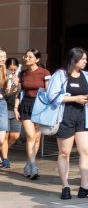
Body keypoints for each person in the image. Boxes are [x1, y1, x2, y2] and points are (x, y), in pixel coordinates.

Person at [48, 48, 88, 199]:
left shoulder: (85, 75)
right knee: (65, 153)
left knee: (86, 151)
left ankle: (84, 186)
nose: (85, 61)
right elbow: (52, 96)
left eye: (85, 59)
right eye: (83, 59)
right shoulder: (60, 75)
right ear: (74, 60)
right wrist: (74, 99)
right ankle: (65, 186)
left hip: (82, 116)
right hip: (65, 117)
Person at [14, 49, 51, 180]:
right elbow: (19, 92)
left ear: (37, 59)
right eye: (26, 56)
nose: (26, 58)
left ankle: (28, 164)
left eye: (30, 57)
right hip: (26, 105)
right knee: (30, 136)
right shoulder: (23, 74)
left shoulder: (45, 73)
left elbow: (48, 92)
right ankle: (34, 165)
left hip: (40, 106)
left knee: (36, 137)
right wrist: (16, 107)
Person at [3, 57, 21, 167]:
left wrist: (17, 83)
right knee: (4, 136)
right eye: (11, 69)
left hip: (16, 109)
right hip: (4, 108)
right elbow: (6, 93)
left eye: (15, 69)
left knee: (14, 136)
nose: (13, 72)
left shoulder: (20, 76)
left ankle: (2, 152)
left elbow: (20, 93)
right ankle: (5, 158)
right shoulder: (3, 76)